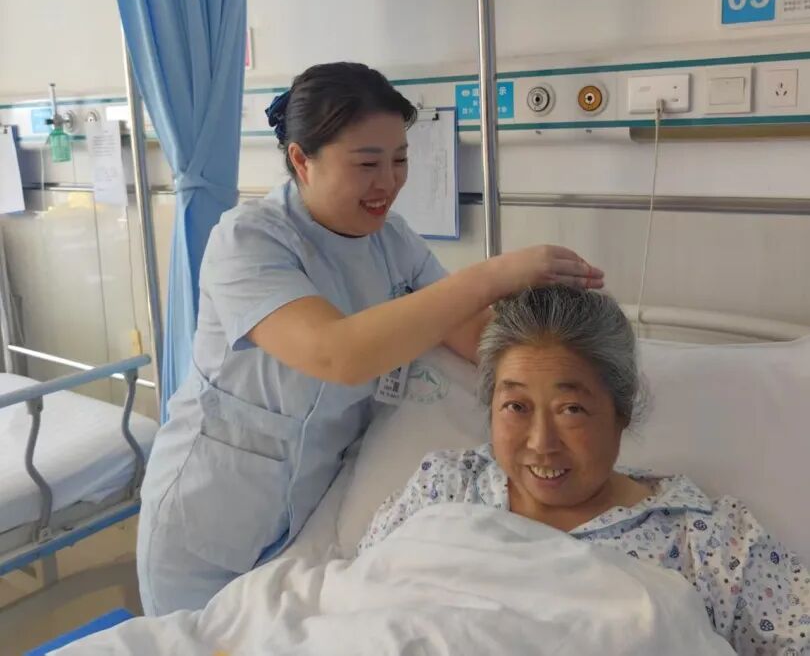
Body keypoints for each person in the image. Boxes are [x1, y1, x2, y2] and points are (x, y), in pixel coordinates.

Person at [136, 62, 604, 615]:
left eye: (399, 160)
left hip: (310, 522)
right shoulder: (248, 241)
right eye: (366, 164)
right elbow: (337, 354)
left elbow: (471, 333)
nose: (388, 183)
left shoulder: (393, 241)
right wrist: (495, 274)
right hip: (207, 520)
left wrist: (569, 386)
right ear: (301, 161)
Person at [359, 285, 810, 655]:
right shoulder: (445, 488)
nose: (541, 442)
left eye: (571, 409)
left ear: (620, 413)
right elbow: (359, 608)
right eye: (516, 406)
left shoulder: (707, 541)